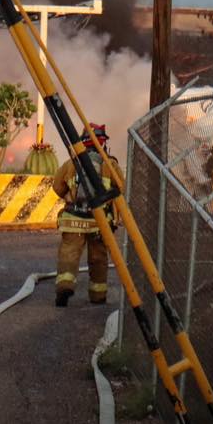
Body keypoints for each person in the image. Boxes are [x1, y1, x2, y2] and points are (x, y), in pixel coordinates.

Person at [52, 123, 121, 306]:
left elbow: (57, 186)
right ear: (102, 144)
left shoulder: (71, 163)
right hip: (99, 222)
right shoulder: (110, 164)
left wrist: (70, 195)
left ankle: (65, 286)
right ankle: (98, 296)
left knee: (69, 254)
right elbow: (121, 188)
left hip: (73, 219)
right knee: (98, 258)